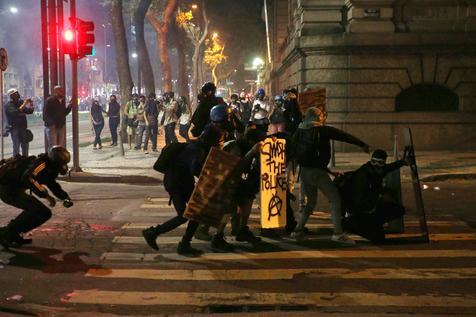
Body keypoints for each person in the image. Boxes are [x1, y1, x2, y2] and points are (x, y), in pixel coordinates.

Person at [290, 107, 371, 244]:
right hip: (317, 173)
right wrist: (362, 144)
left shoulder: (299, 130)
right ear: (316, 117)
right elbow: (343, 135)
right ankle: (338, 233)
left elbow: (296, 151)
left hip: (304, 172)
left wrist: (329, 171)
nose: (323, 117)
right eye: (321, 115)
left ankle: (297, 230)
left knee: (311, 202)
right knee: (335, 199)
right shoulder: (322, 130)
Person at [142, 125, 224, 255]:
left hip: (181, 182)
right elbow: (195, 169)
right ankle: (153, 233)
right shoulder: (196, 149)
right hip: (177, 183)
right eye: (217, 140)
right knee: (184, 215)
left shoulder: (198, 146)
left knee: (195, 212)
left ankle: (184, 243)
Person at [0, 146, 74, 249]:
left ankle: (12, 232)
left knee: (43, 213)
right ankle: (7, 235)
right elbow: (28, 177)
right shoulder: (41, 164)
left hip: (15, 191)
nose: (63, 166)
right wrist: (46, 195)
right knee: (37, 210)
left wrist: (65, 197)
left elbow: (52, 184)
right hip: (8, 191)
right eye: (61, 163)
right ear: (55, 161)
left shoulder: (50, 168)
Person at [210, 126, 265, 250]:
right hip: (229, 183)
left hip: (241, 182)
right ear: (251, 141)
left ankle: (242, 230)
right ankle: (217, 237)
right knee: (229, 210)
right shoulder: (235, 147)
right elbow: (236, 166)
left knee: (247, 202)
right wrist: (251, 152)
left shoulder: (244, 145)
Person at [340, 150, 408, 243]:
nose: (376, 165)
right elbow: (360, 201)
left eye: (379, 163)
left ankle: (371, 224)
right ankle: (349, 225)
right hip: (362, 213)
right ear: (371, 161)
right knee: (378, 238)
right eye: (374, 162)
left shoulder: (376, 172)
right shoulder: (363, 175)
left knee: (398, 210)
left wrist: (402, 162)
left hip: (369, 210)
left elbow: (388, 168)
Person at [5, 89, 34, 156]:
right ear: (11, 96)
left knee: (25, 146)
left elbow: (29, 111)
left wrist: (31, 104)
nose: (18, 94)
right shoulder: (8, 105)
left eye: (17, 92)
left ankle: (25, 161)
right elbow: (17, 111)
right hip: (15, 128)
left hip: (23, 127)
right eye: (15, 93)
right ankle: (16, 162)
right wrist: (25, 103)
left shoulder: (20, 102)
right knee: (16, 146)